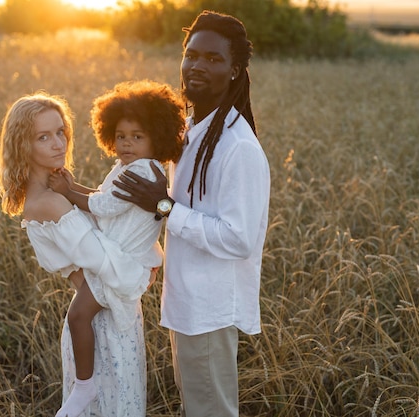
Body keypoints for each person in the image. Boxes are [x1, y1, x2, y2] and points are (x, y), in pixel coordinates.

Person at [112, 11, 271, 417]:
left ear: (235, 71)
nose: (198, 66)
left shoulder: (238, 147)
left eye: (214, 59)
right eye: (191, 55)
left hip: (209, 310)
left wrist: (163, 205)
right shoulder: (191, 129)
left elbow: (239, 238)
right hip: (186, 303)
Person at [0, 86, 183, 417]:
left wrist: (141, 263)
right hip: (107, 317)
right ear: (22, 143)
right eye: (43, 137)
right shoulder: (50, 203)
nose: (58, 143)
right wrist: (140, 270)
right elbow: (100, 250)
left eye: (60, 132)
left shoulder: (52, 198)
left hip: (110, 307)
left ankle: (84, 388)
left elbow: (105, 222)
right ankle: (85, 387)